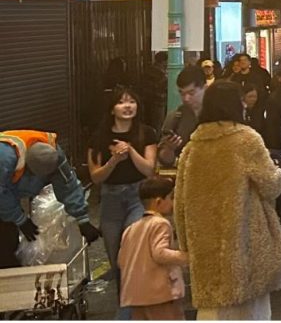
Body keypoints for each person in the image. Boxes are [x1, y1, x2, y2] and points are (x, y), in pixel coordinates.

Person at [174, 81, 281, 319]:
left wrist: (186, 246)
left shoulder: (192, 147)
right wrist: (280, 172)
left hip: (205, 247)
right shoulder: (246, 140)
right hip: (246, 245)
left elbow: (179, 204)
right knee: (252, 313)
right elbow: (272, 186)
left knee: (213, 311)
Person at [87, 86, 158, 291]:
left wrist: (131, 150)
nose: (127, 106)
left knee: (132, 248)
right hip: (110, 199)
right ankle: (125, 300)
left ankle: (134, 306)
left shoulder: (147, 133)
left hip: (138, 196)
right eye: (121, 102)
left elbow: (148, 170)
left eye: (131, 101)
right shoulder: (99, 137)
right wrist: (114, 160)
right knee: (115, 257)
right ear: (112, 109)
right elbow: (96, 177)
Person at [0, 131, 101, 268]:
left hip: (8, 188)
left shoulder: (53, 155)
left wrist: (82, 219)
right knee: (5, 246)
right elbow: (1, 193)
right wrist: (19, 219)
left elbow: (67, 184)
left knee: (10, 243)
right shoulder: (5, 157)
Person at [118, 177, 189, 320]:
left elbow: (121, 260)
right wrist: (187, 257)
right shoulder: (160, 224)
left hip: (135, 295)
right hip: (159, 295)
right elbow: (160, 253)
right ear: (158, 201)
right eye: (171, 198)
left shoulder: (130, 229)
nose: (173, 203)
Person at [158, 66, 206, 167]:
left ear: (205, 88)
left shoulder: (218, 114)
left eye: (191, 93)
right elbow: (165, 161)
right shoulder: (176, 117)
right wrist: (169, 149)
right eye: (182, 93)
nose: (186, 98)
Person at [140, 52, 168, 129]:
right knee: (158, 124)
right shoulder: (159, 74)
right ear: (163, 61)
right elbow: (163, 86)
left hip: (148, 101)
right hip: (158, 102)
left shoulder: (148, 70)